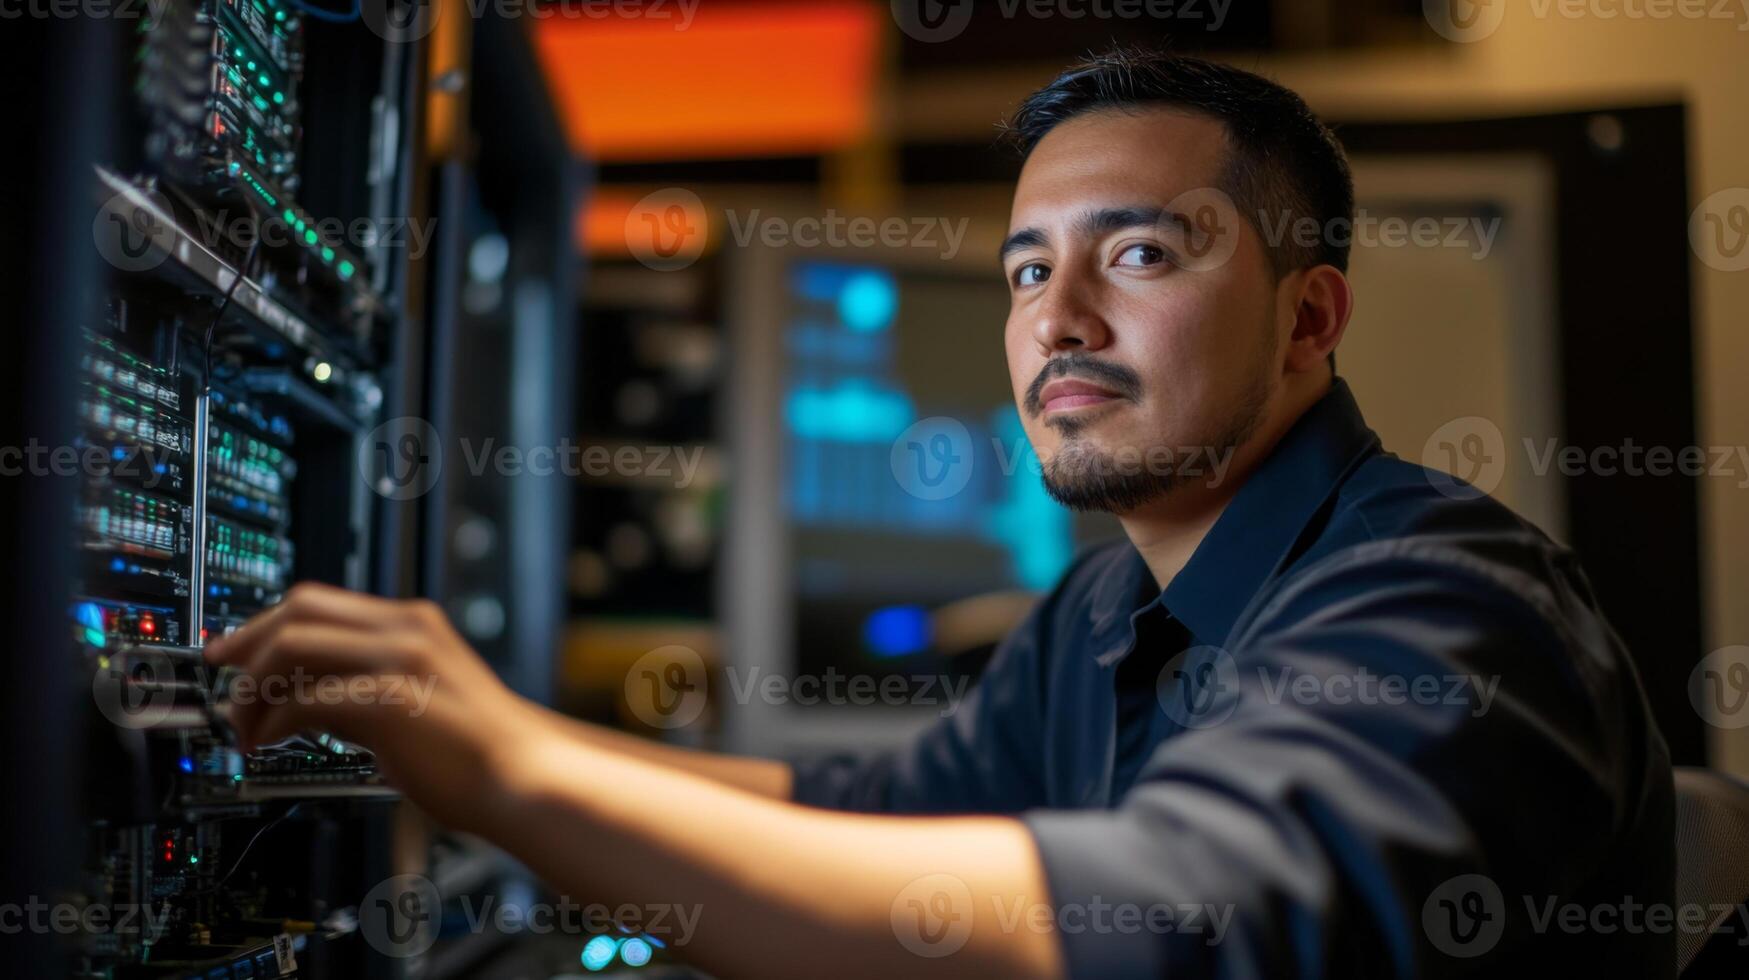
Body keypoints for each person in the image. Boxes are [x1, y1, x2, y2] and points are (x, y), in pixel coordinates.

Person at [204, 47, 1674, 979]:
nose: (1059, 322)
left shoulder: (1442, 602)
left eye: (1142, 254)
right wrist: (464, 742)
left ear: (1308, 321)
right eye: (1029, 272)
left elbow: (1153, 928)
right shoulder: (1107, 611)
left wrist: (517, 771)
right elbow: (847, 818)